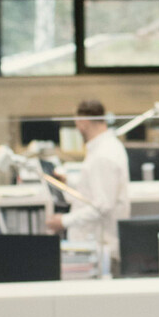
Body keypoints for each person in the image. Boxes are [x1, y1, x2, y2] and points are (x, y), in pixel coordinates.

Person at [45, 98, 132, 273]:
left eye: (76, 122)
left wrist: (64, 221)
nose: (77, 127)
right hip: (94, 247)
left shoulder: (103, 155)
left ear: (83, 121)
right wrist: (70, 181)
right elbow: (97, 188)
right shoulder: (104, 148)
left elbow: (102, 206)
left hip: (99, 250)